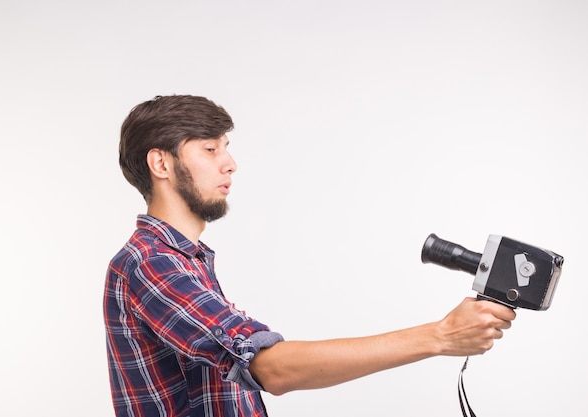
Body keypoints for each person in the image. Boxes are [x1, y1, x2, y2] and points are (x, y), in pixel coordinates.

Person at [103, 95, 517, 417]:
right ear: (161, 162)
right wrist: (440, 335)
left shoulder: (185, 261)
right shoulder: (150, 263)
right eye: (210, 149)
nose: (230, 164)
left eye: (225, 147)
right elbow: (271, 368)